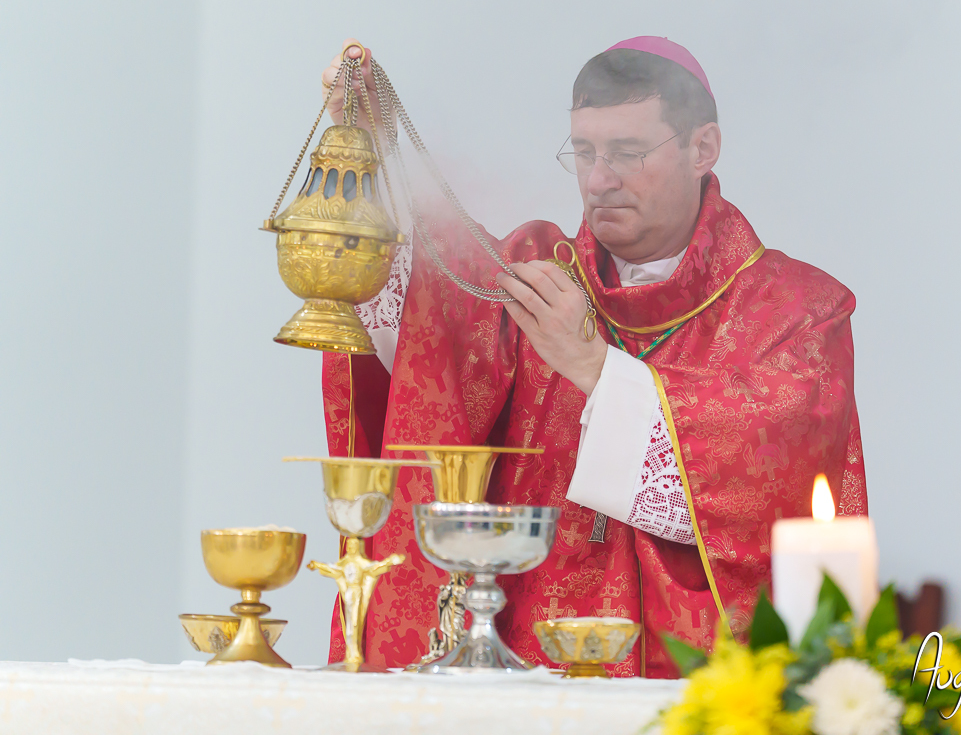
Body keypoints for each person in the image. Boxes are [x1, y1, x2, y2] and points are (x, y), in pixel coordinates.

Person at [318, 36, 867, 677]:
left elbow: (764, 496)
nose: (600, 180)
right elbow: (423, 340)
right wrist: (368, 146)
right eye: (584, 153)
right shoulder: (533, 274)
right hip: (529, 671)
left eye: (629, 154)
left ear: (703, 149)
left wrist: (592, 366)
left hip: (698, 687)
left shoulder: (797, 309)